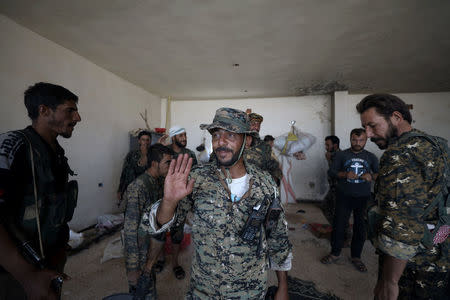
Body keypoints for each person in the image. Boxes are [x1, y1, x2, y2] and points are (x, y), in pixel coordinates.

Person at [141, 108, 292, 299]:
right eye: (216, 134)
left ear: (247, 141)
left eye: (230, 134)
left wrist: (283, 286)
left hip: (249, 292)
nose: (221, 141)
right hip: (204, 291)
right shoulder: (197, 178)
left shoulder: (265, 184)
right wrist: (169, 201)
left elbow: (277, 237)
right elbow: (157, 225)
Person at [357, 94, 449, 299]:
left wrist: (389, 282)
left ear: (396, 117)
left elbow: (402, 229)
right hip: (440, 253)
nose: (368, 134)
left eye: (372, 126)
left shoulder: (400, 154)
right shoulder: (436, 145)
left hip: (416, 266)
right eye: (365, 128)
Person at [0, 82, 81, 299]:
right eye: (70, 110)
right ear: (43, 110)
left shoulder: (55, 154)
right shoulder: (13, 145)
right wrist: (26, 276)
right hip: (14, 272)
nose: (78, 118)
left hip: (48, 260)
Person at [321, 128, 379, 273]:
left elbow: (379, 174)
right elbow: (332, 172)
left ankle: (356, 257)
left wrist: (371, 176)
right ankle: (335, 253)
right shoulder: (342, 155)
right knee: (339, 225)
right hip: (344, 195)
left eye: (361, 140)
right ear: (350, 139)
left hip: (363, 197)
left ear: (366, 140)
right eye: (354, 140)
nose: (357, 143)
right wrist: (345, 173)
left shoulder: (371, 157)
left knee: (360, 228)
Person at [123, 143, 174, 298]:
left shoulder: (158, 181)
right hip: (140, 251)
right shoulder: (138, 187)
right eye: (167, 162)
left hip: (151, 248)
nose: (170, 166)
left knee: (150, 285)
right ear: (154, 164)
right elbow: (130, 230)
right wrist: (133, 267)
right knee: (141, 291)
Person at [155, 126, 198, 280]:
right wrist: (158, 146)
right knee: (159, 230)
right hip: (163, 198)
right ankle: (160, 259)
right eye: (181, 135)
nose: (184, 138)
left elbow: (195, 177)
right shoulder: (164, 151)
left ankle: (175, 263)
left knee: (177, 233)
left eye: (185, 135)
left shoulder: (190, 154)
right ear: (173, 138)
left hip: (183, 202)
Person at [321, 135, 351, 243]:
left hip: (340, 189)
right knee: (326, 207)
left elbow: (336, 172)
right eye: (325, 144)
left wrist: (329, 160)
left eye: (328, 145)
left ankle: (345, 237)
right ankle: (338, 231)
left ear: (335, 145)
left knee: (340, 213)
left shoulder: (339, 156)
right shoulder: (332, 155)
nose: (326, 147)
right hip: (333, 188)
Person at [246, 113, 283, 185]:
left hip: (259, 188)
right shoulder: (237, 143)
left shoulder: (265, 146)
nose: (256, 127)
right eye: (253, 124)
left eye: (258, 125)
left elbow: (275, 169)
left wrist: (272, 186)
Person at [117, 130, 152, 206]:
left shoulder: (153, 156)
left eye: (147, 140)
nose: (145, 142)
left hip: (147, 192)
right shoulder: (131, 155)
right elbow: (124, 173)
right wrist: (120, 190)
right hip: (131, 190)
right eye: (143, 140)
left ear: (150, 141)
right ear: (139, 141)